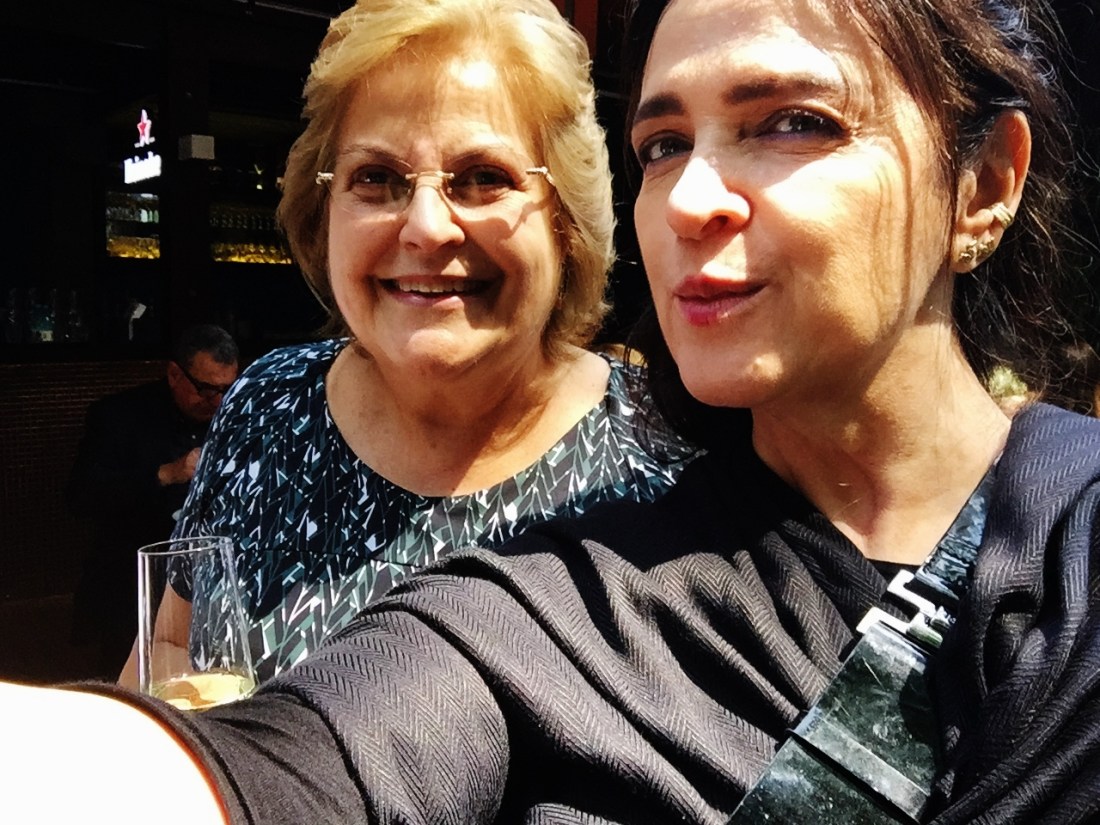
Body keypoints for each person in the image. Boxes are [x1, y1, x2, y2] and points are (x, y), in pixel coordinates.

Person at [5, 0, 1099, 822]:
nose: (689, 197)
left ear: (984, 183)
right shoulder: (559, 594)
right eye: (663, 145)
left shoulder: (644, 459)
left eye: (792, 121)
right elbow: (280, 748)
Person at [119, 0, 687, 686]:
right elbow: (170, 648)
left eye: (483, 177)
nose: (425, 228)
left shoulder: (667, 454)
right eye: (377, 178)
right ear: (324, 212)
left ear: (565, 220)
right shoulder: (267, 405)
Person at [66, 323, 239, 677]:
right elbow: (81, 496)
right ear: (175, 374)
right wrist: (167, 473)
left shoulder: (234, 416)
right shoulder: (119, 416)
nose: (217, 401)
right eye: (206, 389)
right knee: (128, 678)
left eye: (226, 389)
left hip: (209, 580)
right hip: (133, 579)